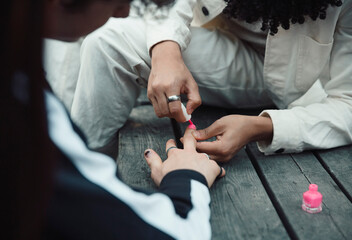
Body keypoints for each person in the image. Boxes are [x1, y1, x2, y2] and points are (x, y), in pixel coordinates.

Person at [0, 0, 225, 239]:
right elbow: (177, 232)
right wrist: (187, 176)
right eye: (118, 2)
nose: (125, 11)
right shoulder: (20, 112)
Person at [65, 0, 351, 161]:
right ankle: (78, 173)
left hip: (279, 80)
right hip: (216, 40)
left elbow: (348, 104)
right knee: (105, 41)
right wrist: (166, 51)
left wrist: (263, 127)